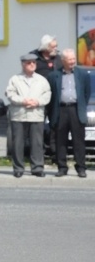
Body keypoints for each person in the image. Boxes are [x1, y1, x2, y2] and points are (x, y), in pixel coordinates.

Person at [5, 53, 51, 178]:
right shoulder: (15, 79)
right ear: (23, 64)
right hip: (19, 115)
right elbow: (10, 94)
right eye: (29, 63)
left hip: (36, 114)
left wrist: (37, 102)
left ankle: (37, 168)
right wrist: (23, 101)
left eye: (34, 62)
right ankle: (18, 168)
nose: (32, 65)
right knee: (18, 143)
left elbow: (47, 94)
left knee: (37, 143)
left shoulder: (42, 80)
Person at [47, 49, 91, 178]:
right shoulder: (54, 75)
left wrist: (81, 106)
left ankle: (81, 167)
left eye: (73, 59)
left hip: (76, 110)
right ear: (63, 61)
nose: (72, 61)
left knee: (79, 141)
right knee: (60, 141)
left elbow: (86, 93)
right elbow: (51, 96)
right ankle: (62, 167)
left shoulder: (82, 74)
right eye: (69, 59)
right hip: (61, 110)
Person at [30, 35, 62, 159]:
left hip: (55, 97)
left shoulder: (58, 59)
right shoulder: (34, 58)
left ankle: (54, 152)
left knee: (55, 125)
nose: (56, 48)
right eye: (53, 46)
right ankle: (39, 153)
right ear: (46, 47)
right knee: (38, 126)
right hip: (39, 98)